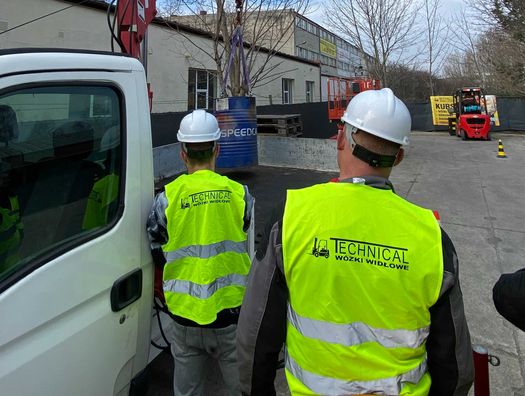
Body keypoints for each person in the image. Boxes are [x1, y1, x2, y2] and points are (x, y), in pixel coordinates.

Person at [237, 88, 474, 396]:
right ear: (399, 157)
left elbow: (255, 332)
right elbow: (455, 365)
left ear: (340, 139)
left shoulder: (292, 216)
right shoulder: (431, 237)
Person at [147, 109, 253, 396]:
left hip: (184, 316)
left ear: (183, 154)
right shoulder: (240, 194)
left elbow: (156, 246)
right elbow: (243, 229)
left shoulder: (166, 198)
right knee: (242, 390)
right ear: (217, 149)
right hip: (230, 314)